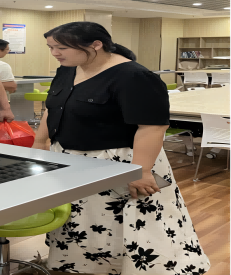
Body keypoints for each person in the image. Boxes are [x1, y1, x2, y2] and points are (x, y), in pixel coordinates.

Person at [31, 22, 209, 275]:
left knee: (126, 222)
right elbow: (53, 108)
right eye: (51, 47)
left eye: (61, 47)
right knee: (81, 219)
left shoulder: (134, 76)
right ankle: (83, 266)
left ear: (96, 45)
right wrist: (40, 143)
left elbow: (152, 127)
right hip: (71, 159)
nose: (55, 53)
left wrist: (141, 171)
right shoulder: (68, 69)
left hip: (120, 161)